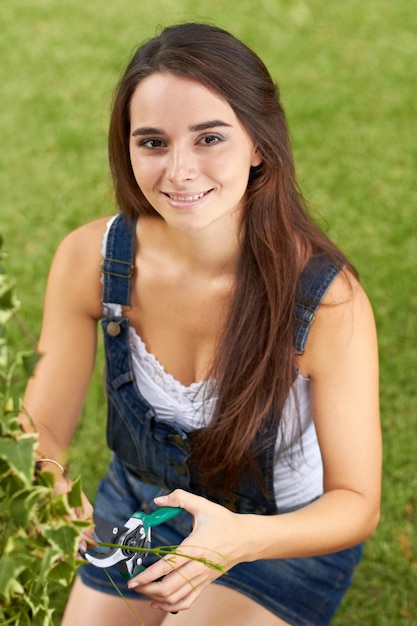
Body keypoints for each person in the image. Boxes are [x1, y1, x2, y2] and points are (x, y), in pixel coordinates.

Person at [22, 22, 381, 626]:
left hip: (280, 537)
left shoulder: (325, 301)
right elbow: (42, 432)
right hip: (144, 507)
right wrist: (53, 487)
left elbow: (356, 503)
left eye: (209, 137)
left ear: (259, 144)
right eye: (153, 143)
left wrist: (237, 540)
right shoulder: (91, 261)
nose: (180, 171)